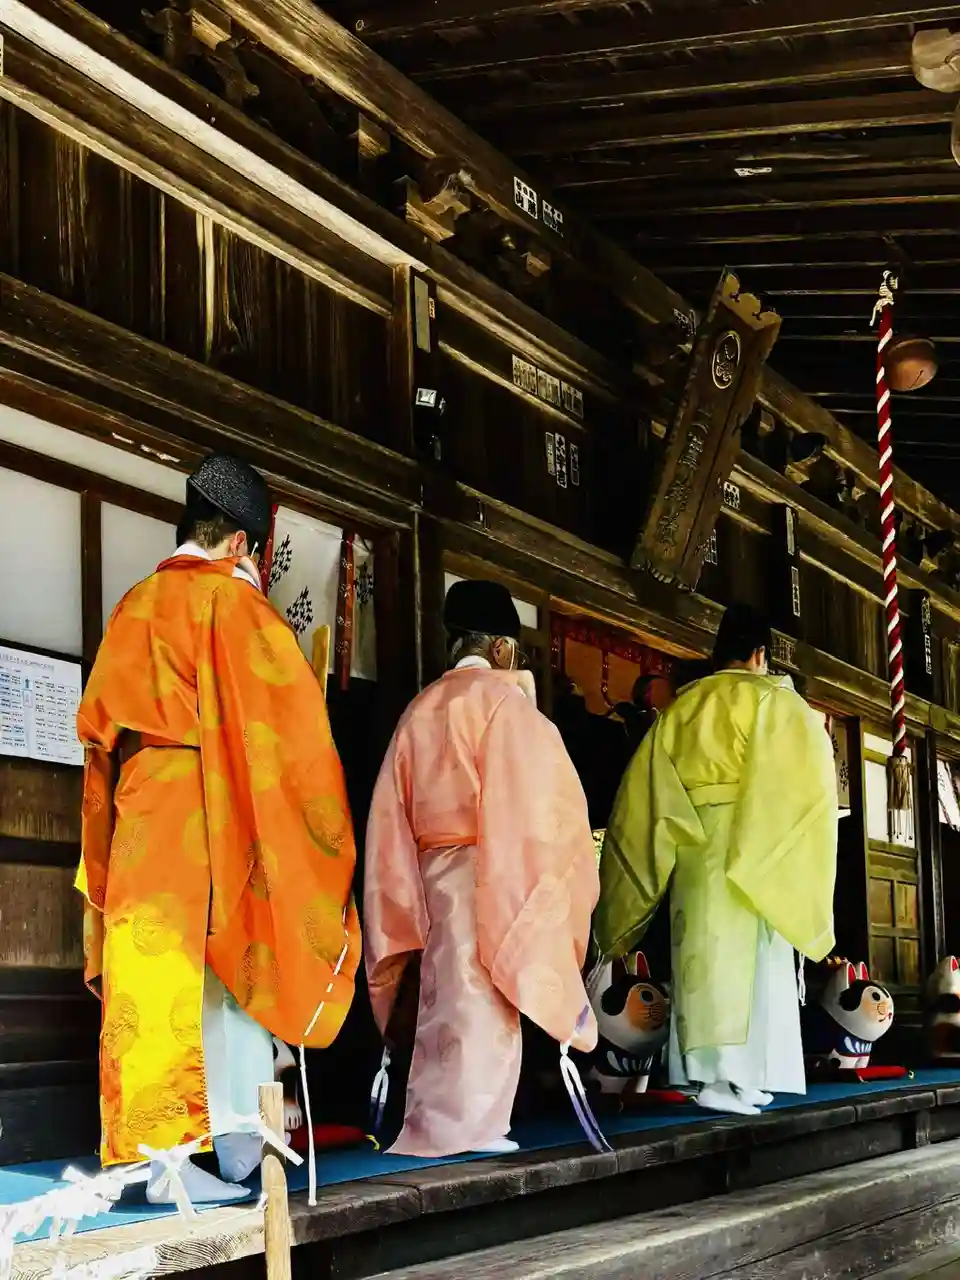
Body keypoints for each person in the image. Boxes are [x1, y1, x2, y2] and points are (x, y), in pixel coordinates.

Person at [76, 454, 361, 1200]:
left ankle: (163, 1158)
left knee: (154, 982)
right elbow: (292, 739)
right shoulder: (233, 604)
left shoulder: (133, 604)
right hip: (209, 808)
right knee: (230, 976)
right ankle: (228, 1150)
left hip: (139, 810)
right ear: (241, 544)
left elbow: (97, 737)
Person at [364, 579, 599, 1157]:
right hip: (488, 871)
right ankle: (473, 1124)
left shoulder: (419, 710)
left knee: (440, 999)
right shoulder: (504, 705)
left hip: (426, 873)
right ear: (499, 648)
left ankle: (434, 1119)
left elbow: (389, 814)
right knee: (483, 995)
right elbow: (541, 811)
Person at [594, 603, 837, 1116]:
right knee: (753, 970)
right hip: (756, 845)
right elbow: (807, 779)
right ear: (759, 654)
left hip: (694, 847)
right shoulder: (774, 700)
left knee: (701, 966)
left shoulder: (682, 709)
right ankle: (731, 1080)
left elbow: (644, 795)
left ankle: (723, 1078)